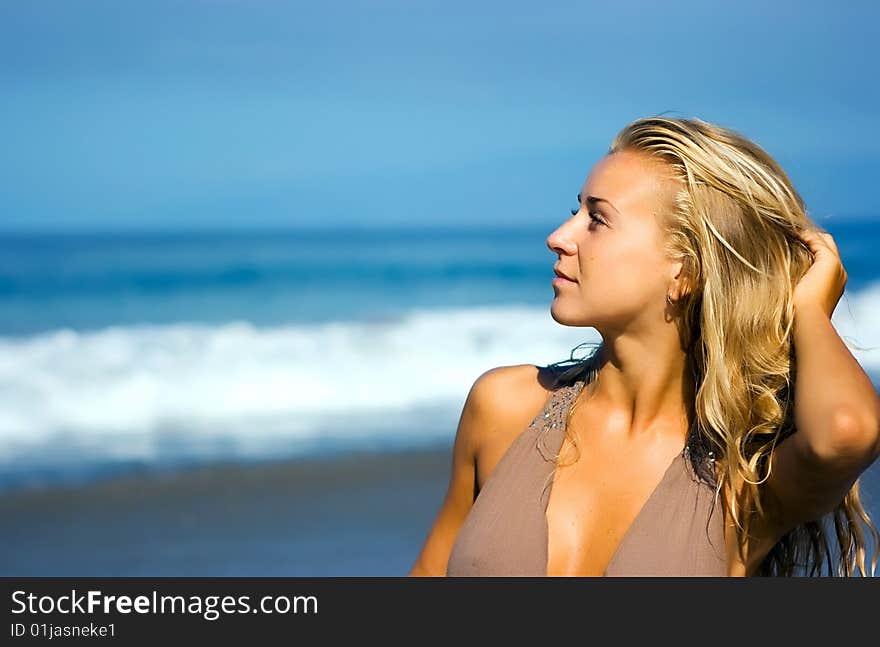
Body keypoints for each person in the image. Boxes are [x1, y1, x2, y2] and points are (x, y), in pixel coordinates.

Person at [407, 116, 880, 577]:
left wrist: (810, 309)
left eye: (597, 219)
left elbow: (846, 430)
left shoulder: (743, 478)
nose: (558, 237)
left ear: (685, 271)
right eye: (576, 212)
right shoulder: (505, 409)